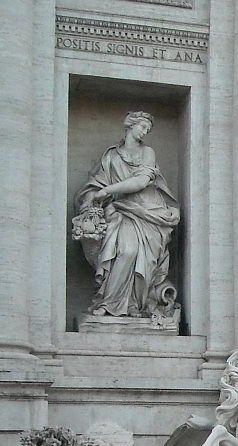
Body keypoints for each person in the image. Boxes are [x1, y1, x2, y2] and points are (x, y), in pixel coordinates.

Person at [73, 111, 181, 318]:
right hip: (120, 210)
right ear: (130, 126)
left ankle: (135, 304)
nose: (145, 132)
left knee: (141, 257)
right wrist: (92, 198)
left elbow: (141, 181)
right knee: (125, 251)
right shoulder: (111, 156)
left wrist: (107, 191)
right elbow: (94, 185)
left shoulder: (147, 152)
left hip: (148, 211)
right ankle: (109, 302)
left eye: (147, 129)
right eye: (142, 127)